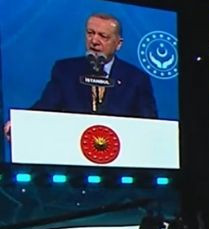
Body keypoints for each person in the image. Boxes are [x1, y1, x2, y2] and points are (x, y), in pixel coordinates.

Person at [3, 13, 157, 140]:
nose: (94, 41)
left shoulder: (136, 78)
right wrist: (22, 123)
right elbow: (46, 106)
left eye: (103, 36)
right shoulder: (65, 70)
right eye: (90, 33)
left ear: (118, 44)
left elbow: (149, 124)